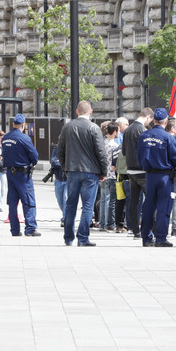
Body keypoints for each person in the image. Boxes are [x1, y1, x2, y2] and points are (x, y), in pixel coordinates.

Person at [58, 101, 107, 245]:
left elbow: (60, 151)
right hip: (90, 172)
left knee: (70, 204)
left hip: (73, 170)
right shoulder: (94, 128)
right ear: (90, 111)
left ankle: (68, 237)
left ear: (77, 111)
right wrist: (103, 172)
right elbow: (101, 152)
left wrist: (65, 167)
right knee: (87, 206)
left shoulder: (67, 127)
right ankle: (83, 238)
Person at [136, 108, 176, 247]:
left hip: (150, 175)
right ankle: (161, 237)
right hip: (164, 176)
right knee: (164, 207)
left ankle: (146, 237)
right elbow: (175, 156)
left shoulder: (144, 136)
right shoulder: (168, 137)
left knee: (148, 207)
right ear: (165, 121)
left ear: (154, 120)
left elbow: (138, 155)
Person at [1, 114, 40, 236]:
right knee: (28, 201)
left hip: (10, 173)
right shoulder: (24, 138)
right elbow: (35, 156)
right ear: (23, 125)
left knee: (12, 203)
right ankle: (30, 229)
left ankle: (15, 230)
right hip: (23, 174)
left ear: (13, 124)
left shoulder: (5, 138)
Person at [122, 107, 154, 239]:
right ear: (148, 117)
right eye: (150, 120)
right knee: (150, 200)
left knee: (133, 201)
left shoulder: (128, 129)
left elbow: (123, 151)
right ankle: (149, 229)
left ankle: (135, 230)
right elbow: (147, 151)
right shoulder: (143, 130)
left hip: (130, 169)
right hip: (142, 170)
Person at [99, 122, 120, 232]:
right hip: (111, 175)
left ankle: (102, 223)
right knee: (109, 200)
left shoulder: (102, 143)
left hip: (103, 174)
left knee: (103, 199)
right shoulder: (115, 146)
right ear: (115, 132)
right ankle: (108, 224)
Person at [113, 118, 130, 233]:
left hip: (119, 177)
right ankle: (126, 224)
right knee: (128, 201)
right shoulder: (129, 149)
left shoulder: (118, 149)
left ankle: (119, 224)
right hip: (128, 177)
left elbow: (113, 164)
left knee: (120, 201)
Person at [50, 143, 68, 228]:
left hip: (69, 179)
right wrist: (63, 163)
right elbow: (53, 162)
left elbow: (72, 163)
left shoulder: (73, 148)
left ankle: (65, 219)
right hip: (58, 179)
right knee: (60, 200)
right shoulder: (56, 148)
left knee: (66, 198)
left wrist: (60, 162)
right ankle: (66, 215)